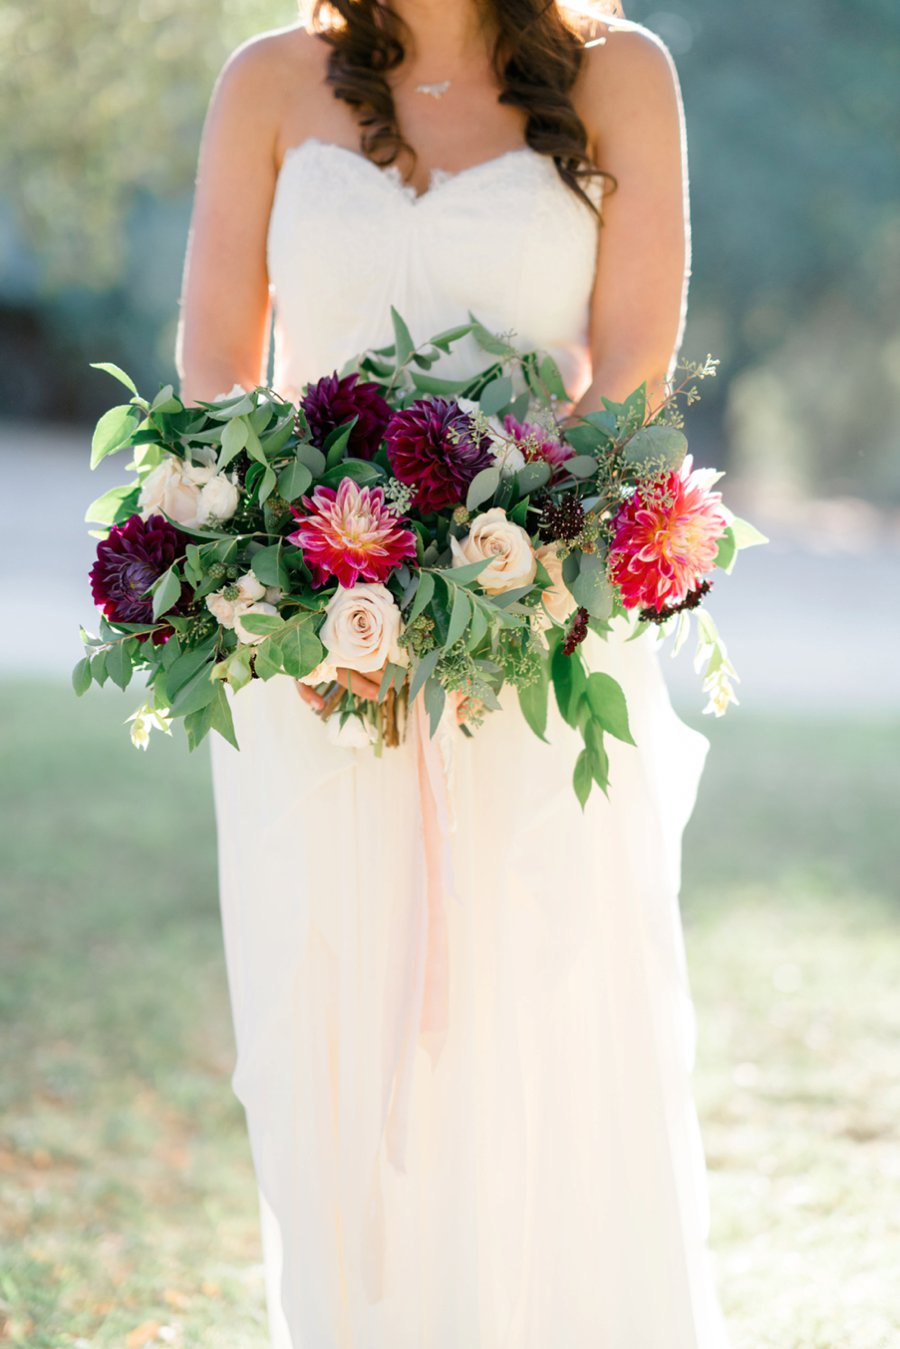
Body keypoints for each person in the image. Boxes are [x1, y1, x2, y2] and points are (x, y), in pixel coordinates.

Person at [175, 1, 732, 1344]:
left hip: (532, 641)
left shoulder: (622, 76)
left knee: (547, 1026)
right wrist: (297, 579)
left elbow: (634, 365)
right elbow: (211, 360)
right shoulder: (266, 83)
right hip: (317, 661)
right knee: (338, 1039)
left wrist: (508, 560)